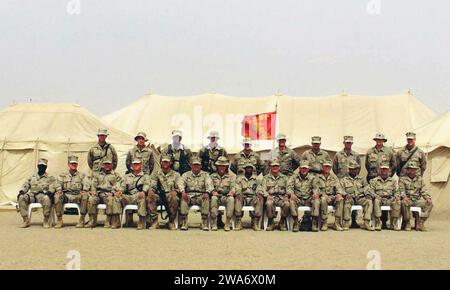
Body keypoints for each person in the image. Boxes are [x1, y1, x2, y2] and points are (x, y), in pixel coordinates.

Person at [17, 158, 56, 228]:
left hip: (42, 196)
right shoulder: (32, 177)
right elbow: (26, 184)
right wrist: (22, 191)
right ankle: (25, 220)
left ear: (46, 167)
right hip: (32, 195)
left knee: (47, 198)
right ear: (37, 166)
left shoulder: (50, 177)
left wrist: (50, 192)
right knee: (21, 197)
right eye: (40, 166)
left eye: (43, 166)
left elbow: (53, 186)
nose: (42, 167)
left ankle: (46, 220)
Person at [54, 156, 91, 228]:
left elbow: (87, 183)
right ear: (68, 164)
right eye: (72, 164)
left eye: (75, 164)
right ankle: (59, 220)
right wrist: (59, 190)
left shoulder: (81, 175)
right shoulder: (63, 175)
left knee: (85, 196)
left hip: (77, 195)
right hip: (66, 195)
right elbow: (58, 183)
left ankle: (82, 219)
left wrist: (85, 190)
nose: (73, 165)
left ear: (77, 165)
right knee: (57, 196)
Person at [148, 154, 183, 230]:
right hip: (159, 195)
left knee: (174, 198)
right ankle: (155, 221)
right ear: (160, 162)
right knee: (150, 196)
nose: (165, 163)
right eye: (164, 162)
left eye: (167, 162)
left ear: (170, 163)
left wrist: (176, 191)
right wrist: (151, 191)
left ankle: (171, 221)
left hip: (170, 195)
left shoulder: (176, 174)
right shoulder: (155, 174)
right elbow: (153, 184)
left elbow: (180, 186)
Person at [180, 156, 214, 230]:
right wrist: (183, 192)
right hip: (189, 195)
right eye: (194, 165)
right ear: (191, 165)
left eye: (198, 165)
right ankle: (184, 221)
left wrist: (207, 192)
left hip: (201, 195)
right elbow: (181, 184)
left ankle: (204, 221)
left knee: (206, 198)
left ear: (201, 166)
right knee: (183, 198)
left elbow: (209, 185)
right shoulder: (185, 175)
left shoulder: (205, 175)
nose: (196, 166)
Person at [88, 159, 123, 229]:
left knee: (110, 199)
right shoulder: (98, 175)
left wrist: (112, 193)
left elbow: (119, 185)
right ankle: (92, 220)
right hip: (99, 194)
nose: (107, 166)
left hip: (109, 194)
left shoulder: (116, 175)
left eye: (108, 164)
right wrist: (93, 191)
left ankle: (108, 220)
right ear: (102, 165)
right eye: (105, 164)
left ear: (112, 165)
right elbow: (93, 184)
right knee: (91, 199)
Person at [399, 162, 433, 231]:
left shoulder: (420, 180)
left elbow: (424, 191)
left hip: (417, 200)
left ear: (416, 170)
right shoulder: (402, 179)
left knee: (429, 204)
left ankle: (421, 222)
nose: (412, 171)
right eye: (410, 170)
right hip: (408, 199)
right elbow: (401, 190)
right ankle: (407, 222)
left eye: (414, 170)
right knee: (404, 203)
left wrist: (428, 198)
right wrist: (404, 197)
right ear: (407, 170)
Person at [258, 159, 291, 231]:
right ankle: (271, 222)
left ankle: (282, 222)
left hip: (281, 198)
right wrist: (267, 196)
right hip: (271, 197)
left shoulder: (285, 178)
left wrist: (286, 196)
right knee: (269, 203)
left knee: (287, 204)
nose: (275, 168)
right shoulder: (265, 178)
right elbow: (262, 189)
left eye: (276, 166)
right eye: (273, 166)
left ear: (279, 167)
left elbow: (289, 188)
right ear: (270, 167)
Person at [366, 163, 401, 231]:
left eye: (386, 170)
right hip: (379, 199)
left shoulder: (393, 181)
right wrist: (375, 196)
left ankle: (394, 222)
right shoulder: (374, 181)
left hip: (389, 199)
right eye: (382, 170)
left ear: (389, 171)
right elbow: (370, 190)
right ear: (379, 171)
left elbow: (397, 191)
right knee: (376, 200)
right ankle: (378, 222)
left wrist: (397, 196)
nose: (384, 172)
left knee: (397, 201)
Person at [312, 161, 345, 231]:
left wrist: (339, 194)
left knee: (340, 199)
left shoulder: (334, 177)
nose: (327, 168)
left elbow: (338, 187)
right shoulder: (317, 177)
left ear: (330, 168)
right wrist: (322, 194)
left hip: (332, 197)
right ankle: (324, 222)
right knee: (323, 199)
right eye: (325, 166)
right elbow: (315, 189)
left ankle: (336, 222)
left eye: (328, 167)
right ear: (323, 167)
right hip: (322, 197)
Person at [118, 159, 150, 230]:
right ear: (132, 166)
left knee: (142, 197)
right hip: (129, 196)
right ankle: (116, 220)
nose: (136, 165)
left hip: (138, 195)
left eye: (138, 164)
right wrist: (120, 191)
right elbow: (123, 186)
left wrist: (143, 191)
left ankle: (141, 221)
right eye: (134, 164)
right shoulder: (127, 176)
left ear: (141, 165)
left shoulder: (145, 176)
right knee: (117, 197)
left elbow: (147, 185)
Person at [339, 161, 372, 231]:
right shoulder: (344, 180)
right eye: (351, 169)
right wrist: (345, 195)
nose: (353, 170)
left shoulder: (362, 179)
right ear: (349, 169)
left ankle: (366, 222)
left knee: (368, 201)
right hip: (350, 198)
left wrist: (367, 194)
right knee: (347, 203)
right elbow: (340, 189)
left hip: (360, 198)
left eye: (355, 169)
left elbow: (367, 187)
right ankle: (347, 222)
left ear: (357, 169)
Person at [287, 160, 318, 231]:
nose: (304, 170)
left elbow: (315, 188)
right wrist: (291, 194)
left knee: (316, 201)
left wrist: (315, 193)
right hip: (297, 198)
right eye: (302, 168)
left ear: (308, 169)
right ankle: (296, 222)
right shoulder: (293, 177)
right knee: (291, 201)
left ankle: (314, 223)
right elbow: (289, 187)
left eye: (305, 168)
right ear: (299, 169)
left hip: (308, 198)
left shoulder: (313, 177)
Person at [210, 157, 236, 231]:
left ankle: (227, 222)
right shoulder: (212, 176)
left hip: (226, 195)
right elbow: (209, 186)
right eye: (220, 166)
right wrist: (212, 192)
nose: (222, 167)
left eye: (224, 166)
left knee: (231, 199)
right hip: (216, 196)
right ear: (217, 166)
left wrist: (232, 192)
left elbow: (234, 186)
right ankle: (214, 223)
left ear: (227, 167)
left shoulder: (232, 176)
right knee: (213, 198)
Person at [234, 162, 262, 231]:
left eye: (250, 168)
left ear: (252, 169)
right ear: (245, 169)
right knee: (238, 198)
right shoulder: (239, 179)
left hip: (253, 197)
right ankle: (238, 221)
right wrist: (238, 194)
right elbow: (237, 188)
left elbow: (259, 188)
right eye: (247, 168)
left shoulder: (256, 179)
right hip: (243, 196)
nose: (249, 169)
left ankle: (255, 221)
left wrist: (259, 193)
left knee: (259, 199)